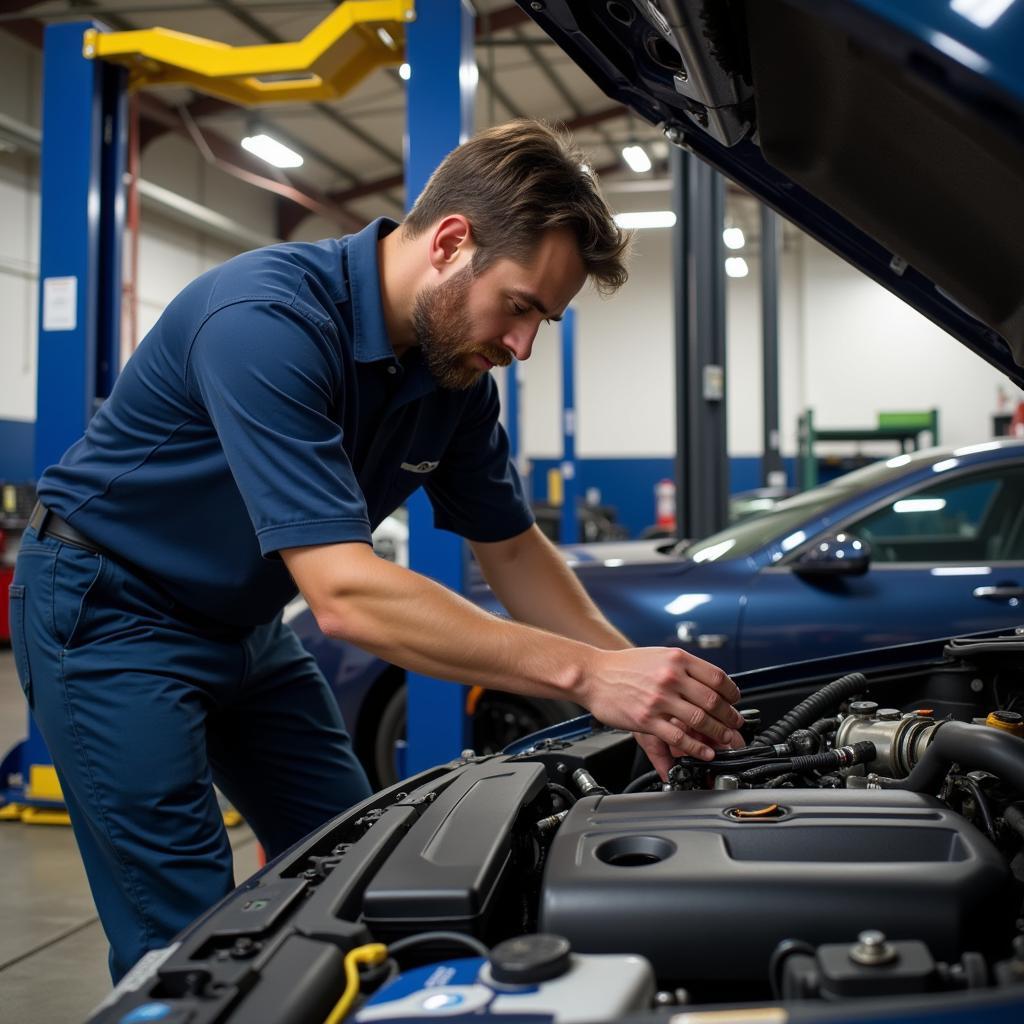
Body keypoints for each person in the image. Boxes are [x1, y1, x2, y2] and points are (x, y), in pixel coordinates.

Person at [10, 119, 744, 981]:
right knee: (190, 945)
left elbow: (514, 553)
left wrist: (643, 688)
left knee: (358, 864)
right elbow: (345, 595)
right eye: (519, 306)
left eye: (543, 320)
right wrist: (584, 678)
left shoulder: (454, 379)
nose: (523, 346)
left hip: (243, 624)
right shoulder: (267, 320)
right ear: (450, 241)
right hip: (108, 611)